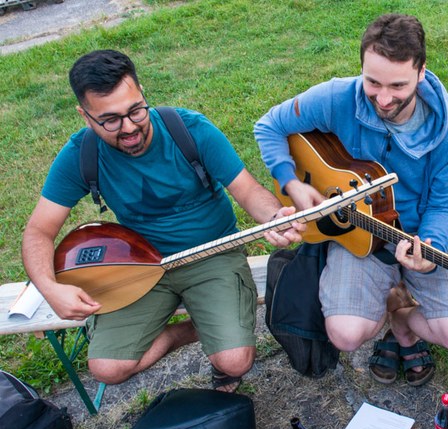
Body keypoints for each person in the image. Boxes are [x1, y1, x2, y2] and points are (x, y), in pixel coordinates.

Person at [21, 50, 304, 392]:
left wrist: (274, 216)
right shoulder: (81, 154)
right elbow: (39, 230)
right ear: (85, 115)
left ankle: (218, 332)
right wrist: (50, 289)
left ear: (141, 90)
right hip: (135, 265)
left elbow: (246, 190)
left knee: (234, 361)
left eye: (136, 110)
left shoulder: (190, 130)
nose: (129, 128)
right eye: (110, 120)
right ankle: (197, 328)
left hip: (211, 255)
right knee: (107, 369)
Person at [254, 13, 448, 386]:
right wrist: (291, 183)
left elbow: (443, 204)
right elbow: (269, 126)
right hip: (357, 230)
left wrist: (431, 245)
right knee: (346, 333)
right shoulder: (338, 97)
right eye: (372, 82)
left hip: (422, 230)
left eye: (398, 86)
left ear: (421, 73)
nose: (384, 99)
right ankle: (388, 304)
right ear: (361, 67)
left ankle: (402, 321)